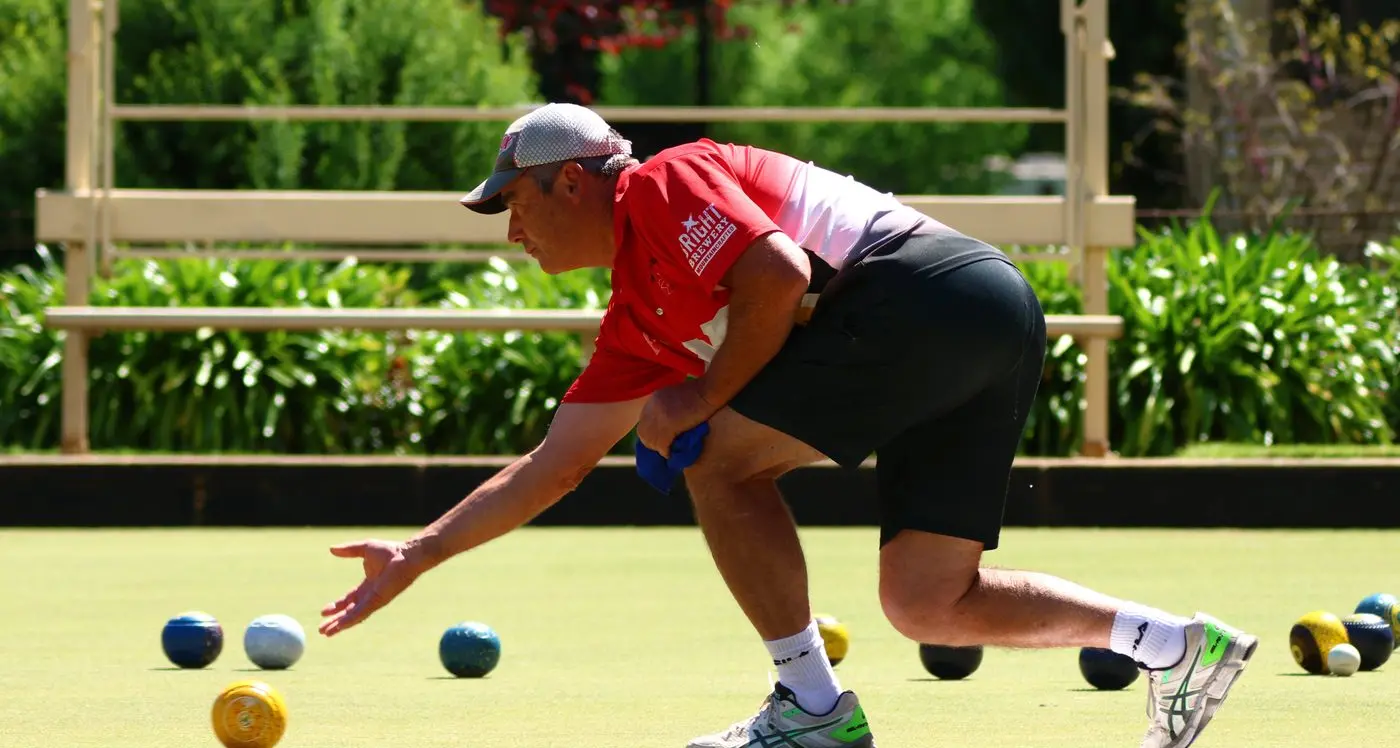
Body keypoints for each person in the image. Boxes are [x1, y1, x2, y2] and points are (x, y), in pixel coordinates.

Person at [317, 103, 1257, 748]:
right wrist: (419, 550)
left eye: (513, 205)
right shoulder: (636, 320)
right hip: (988, 316)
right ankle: (1176, 644)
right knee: (929, 601)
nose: (511, 233)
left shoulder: (665, 181)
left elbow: (778, 274)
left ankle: (810, 708)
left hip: (924, 288)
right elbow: (553, 466)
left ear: (571, 183)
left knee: (718, 463)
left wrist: (698, 397)